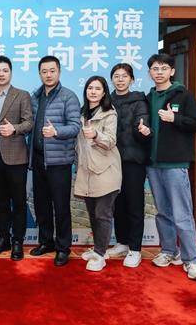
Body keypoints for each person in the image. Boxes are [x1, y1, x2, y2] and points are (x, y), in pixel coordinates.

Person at [145, 53, 196, 281]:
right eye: (155, 69)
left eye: (164, 68)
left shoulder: (184, 95)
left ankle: (192, 261)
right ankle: (169, 251)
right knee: (163, 212)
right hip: (153, 164)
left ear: (172, 71)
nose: (159, 72)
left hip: (175, 164)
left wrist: (175, 119)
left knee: (182, 214)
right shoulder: (148, 98)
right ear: (149, 73)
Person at [29, 56, 81, 266]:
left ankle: (63, 247)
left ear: (59, 72)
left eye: (52, 71)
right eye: (44, 71)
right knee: (41, 204)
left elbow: (75, 127)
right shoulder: (35, 97)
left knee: (61, 206)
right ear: (39, 74)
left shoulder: (69, 96)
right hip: (38, 159)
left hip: (59, 162)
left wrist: (56, 131)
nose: (48, 75)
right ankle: (46, 242)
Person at [0, 56, 33, 261]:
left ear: (11, 73)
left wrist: (14, 129)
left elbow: (29, 122)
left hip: (16, 158)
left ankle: (18, 241)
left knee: (18, 202)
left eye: (5, 70)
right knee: (0, 202)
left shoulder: (21, 95)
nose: (1, 74)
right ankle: (3, 238)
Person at [105, 63, 151, 267]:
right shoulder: (107, 101)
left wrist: (144, 132)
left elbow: (143, 128)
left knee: (134, 204)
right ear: (111, 79)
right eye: (116, 76)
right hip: (111, 160)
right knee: (118, 204)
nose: (120, 79)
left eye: (124, 76)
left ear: (132, 79)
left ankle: (135, 249)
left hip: (133, 161)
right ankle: (122, 242)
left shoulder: (139, 101)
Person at [74, 76, 122, 272]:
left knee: (103, 215)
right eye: (90, 88)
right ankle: (97, 249)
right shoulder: (81, 113)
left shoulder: (109, 113)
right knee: (93, 214)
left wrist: (96, 135)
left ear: (104, 93)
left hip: (105, 171)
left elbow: (111, 140)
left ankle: (100, 255)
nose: (93, 92)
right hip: (86, 171)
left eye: (97, 89)